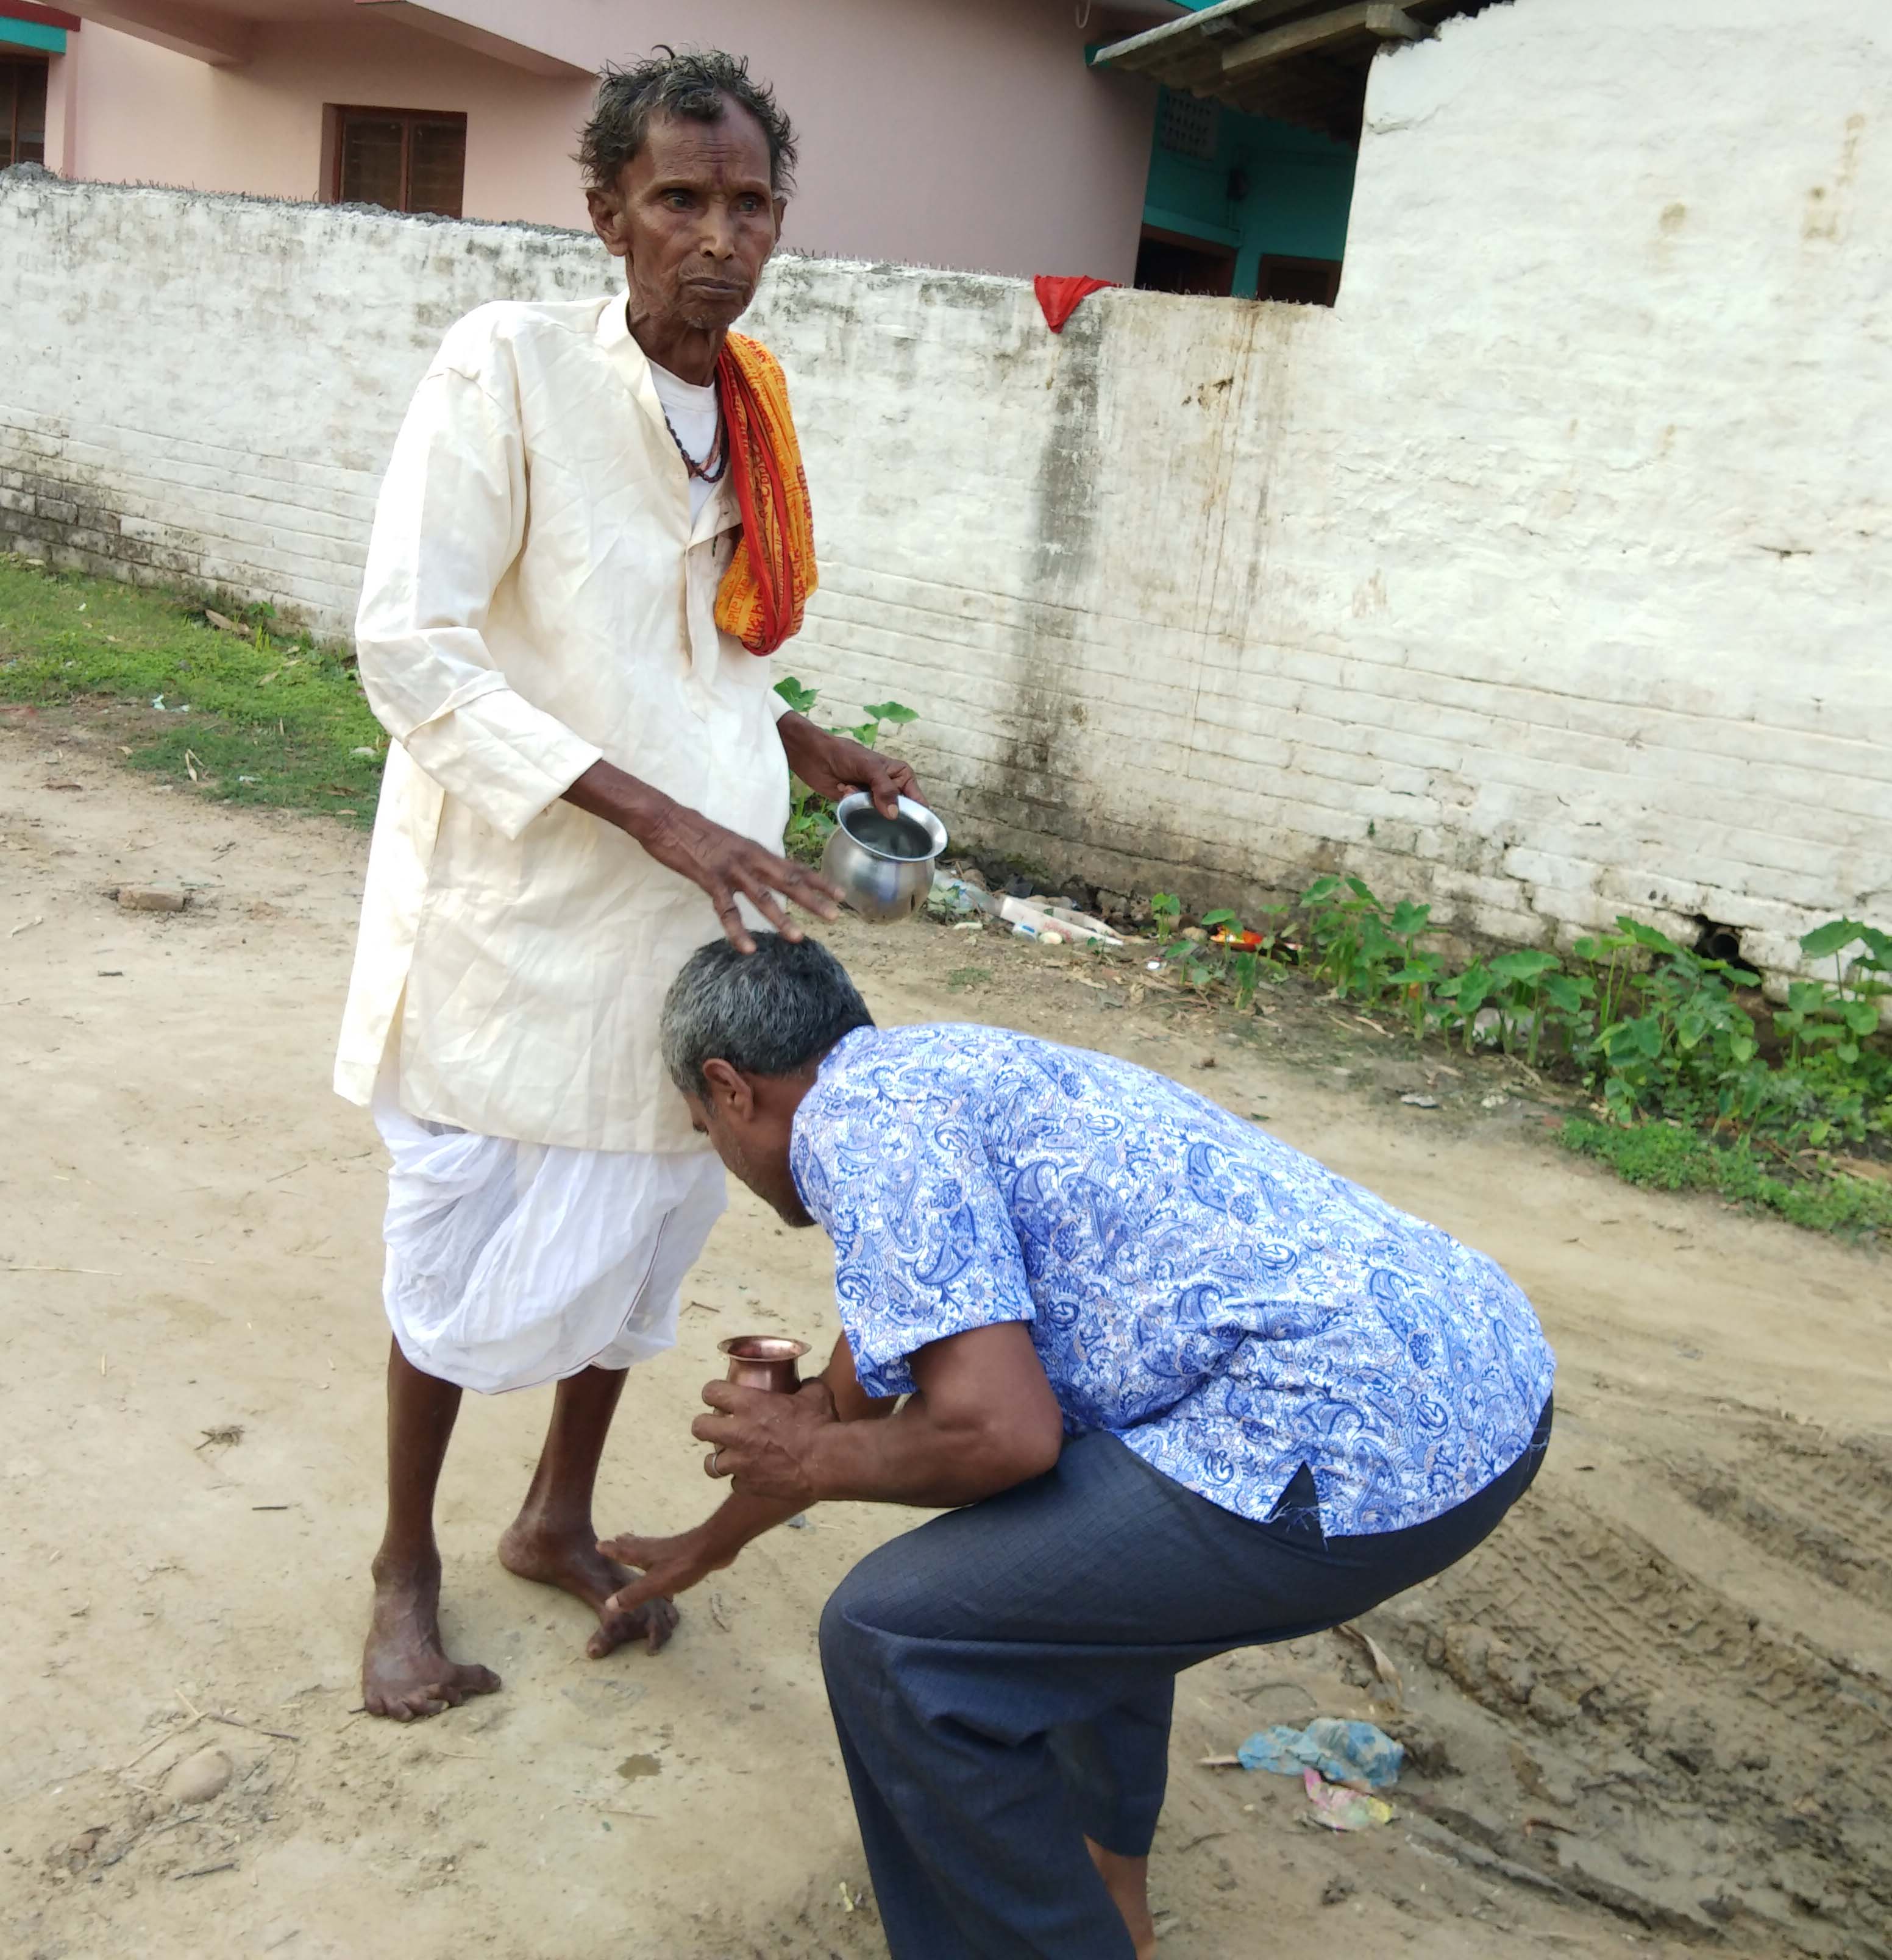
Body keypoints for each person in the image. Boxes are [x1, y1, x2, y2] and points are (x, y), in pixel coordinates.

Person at [331, 50, 920, 1722]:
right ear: (607, 212)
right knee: (462, 1260)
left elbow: (697, 650)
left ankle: (557, 1515)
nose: (717, 237)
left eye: (750, 205)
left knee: (647, 1227)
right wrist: (664, 818)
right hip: (524, 917)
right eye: (680, 200)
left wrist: (803, 743)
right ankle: (404, 1565)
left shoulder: (751, 401)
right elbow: (414, 649)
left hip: (698, 913)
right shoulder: (506, 366)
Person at [599, 936, 1556, 1960]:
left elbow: (996, 1435)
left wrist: (811, 1466)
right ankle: (1115, 1902)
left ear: (728, 1088)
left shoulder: (855, 1135)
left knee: (894, 1643)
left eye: (705, 1131)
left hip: (1356, 1445)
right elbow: (858, 1390)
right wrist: (717, 1539)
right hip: (1487, 1368)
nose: (722, 1156)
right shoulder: (928, 1072)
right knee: (1065, 1557)